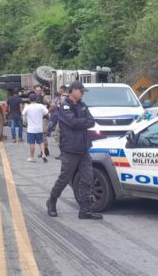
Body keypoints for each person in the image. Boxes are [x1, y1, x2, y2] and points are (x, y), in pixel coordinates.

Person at [46, 80, 102, 220]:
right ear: (73, 91)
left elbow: (92, 121)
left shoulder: (82, 105)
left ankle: (85, 210)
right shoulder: (65, 106)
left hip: (83, 148)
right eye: (81, 91)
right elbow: (73, 123)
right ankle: (51, 201)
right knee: (64, 178)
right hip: (70, 149)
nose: (83, 93)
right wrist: (82, 122)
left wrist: (80, 122)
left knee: (88, 178)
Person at [22, 93, 49, 162]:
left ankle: (31, 157)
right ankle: (43, 154)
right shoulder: (41, 106)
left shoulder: (27, 107)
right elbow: (47, 112)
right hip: (39, 128)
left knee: (32, 143)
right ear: (36, 99)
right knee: (41, 142)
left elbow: (23, 114)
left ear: (29, 99)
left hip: (31, 129)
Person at [48, 85, 68, 160]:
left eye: (59, 89)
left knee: (59, 136)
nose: (58, 90)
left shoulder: (63, 97)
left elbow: (57, 106)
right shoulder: (68, 96)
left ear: (62, 90)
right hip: (64, 119)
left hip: (62, 120)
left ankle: (63, 154)